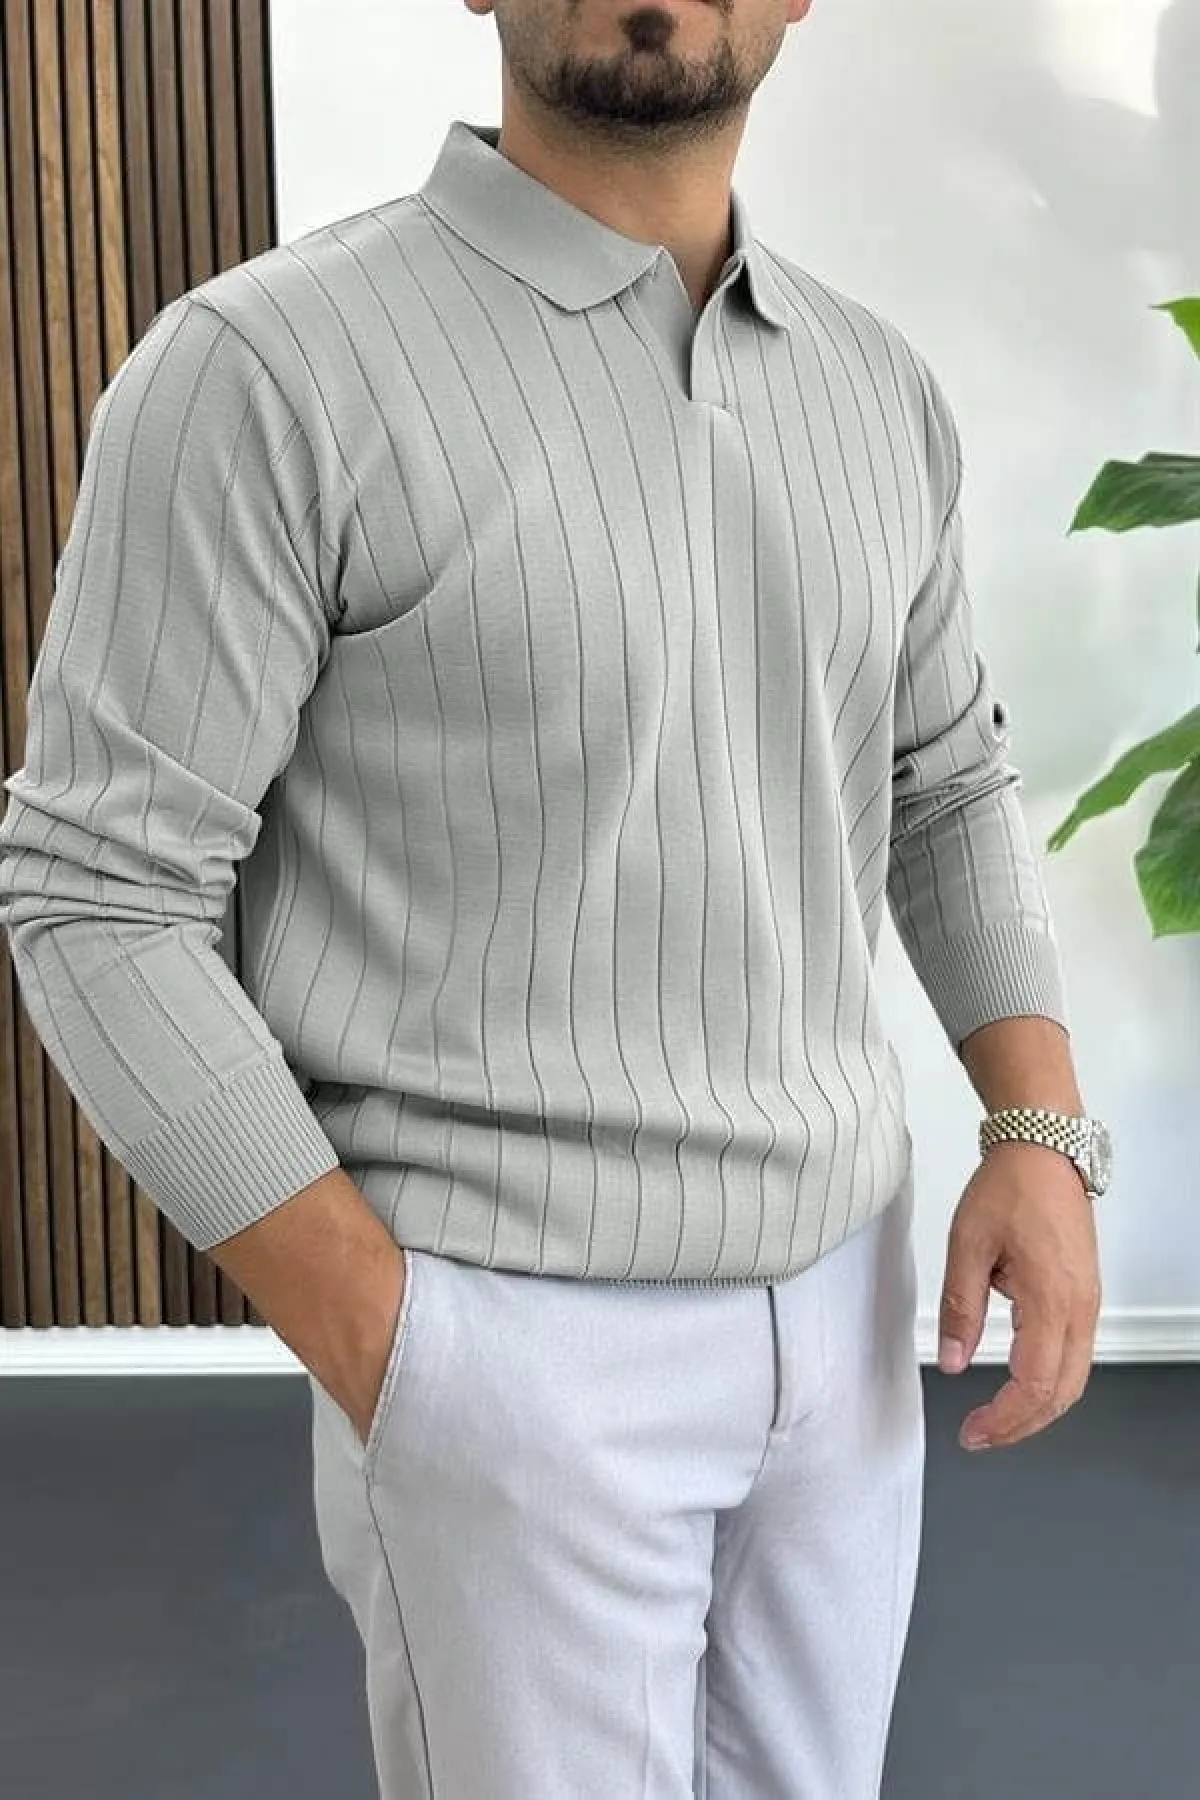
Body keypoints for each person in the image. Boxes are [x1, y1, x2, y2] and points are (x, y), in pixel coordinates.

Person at [0, 1, 1108, 1794]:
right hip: (502, 1333)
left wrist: (1038, 1127)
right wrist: (393, 1343)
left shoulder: (875, 386)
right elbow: (97, 894)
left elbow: (946, 780)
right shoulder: (264, 372)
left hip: (847, 1312)